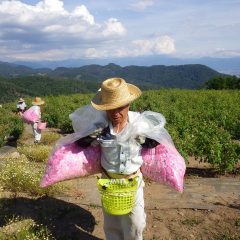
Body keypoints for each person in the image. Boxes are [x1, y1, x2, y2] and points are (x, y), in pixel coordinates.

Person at [76, 78, 160, 240]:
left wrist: (142, 138)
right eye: (110, 109)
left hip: (132, 182)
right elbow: (81, 143)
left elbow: (155, 142)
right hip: (109, 183)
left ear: (128, 104)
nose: (116, 113)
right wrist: (93, 134)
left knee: (135, 223)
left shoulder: (139, 123)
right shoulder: (100, 126)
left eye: (120, 108)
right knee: (112, 223)